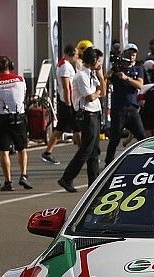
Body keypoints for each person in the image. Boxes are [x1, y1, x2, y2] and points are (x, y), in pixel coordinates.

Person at [58, 47, 106, 192]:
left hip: (95, 112)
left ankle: (94, 182)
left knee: (95, 150)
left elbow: (102, 92)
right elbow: (90, 97)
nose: (100, 63)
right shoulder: (81, 76)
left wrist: (101, 75)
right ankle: (67, 177)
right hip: (86, 114)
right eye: (98, 61)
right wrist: (97, 91)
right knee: (86, 149)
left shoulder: (93, 74)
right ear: (92, 61)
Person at [0, 56, 31, 192]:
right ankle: (23, 175)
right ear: (11, 66)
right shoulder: (20, 79)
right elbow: (24, 95)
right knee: (22, 149)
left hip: (2, 119)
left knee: (4, 151)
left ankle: (8, 181)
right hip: (18, 117)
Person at [104, 43, 145, 165]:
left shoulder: (138, 69)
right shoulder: (117, 69)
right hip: (119, 109)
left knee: (142, 137)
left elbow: (140, 85)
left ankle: (146, 160)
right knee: (115, 138)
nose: (132, 57)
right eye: (129, 54)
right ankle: (108, 163)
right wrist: (112, 72)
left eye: (134, 54)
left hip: (132, 108)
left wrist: (126, 78)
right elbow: (105, 82)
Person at [41, 44, 79, 165]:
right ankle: (84, 152)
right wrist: (68, 103)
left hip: (67, 101)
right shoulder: (65, 66)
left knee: (61, 128)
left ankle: (48, 152)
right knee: (77, 127)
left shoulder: (64, 64)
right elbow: (66, 86)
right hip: (67, 102)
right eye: (76, 55)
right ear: (71, 54)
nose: (77, 57)